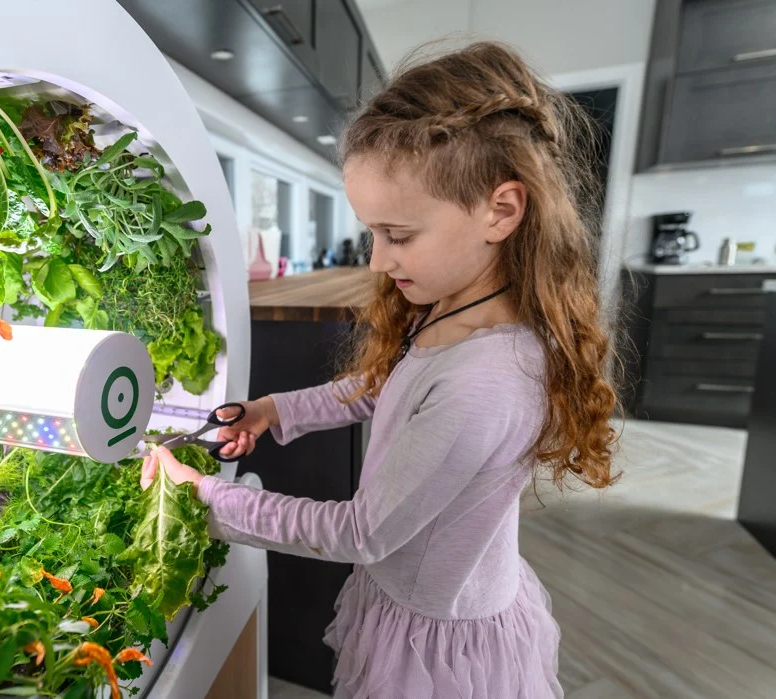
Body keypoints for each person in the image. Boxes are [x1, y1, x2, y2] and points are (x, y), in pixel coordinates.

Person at [142, 40, 619, 699]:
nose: (376, 260)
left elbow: (360, 532)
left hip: (435, 648)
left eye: (398, 234)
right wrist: (274, 410)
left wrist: (208, 499)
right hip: (419, 598)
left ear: (501, 211)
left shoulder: (486, 381)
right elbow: (380, 387)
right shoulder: (454, 305)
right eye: (372, 232)